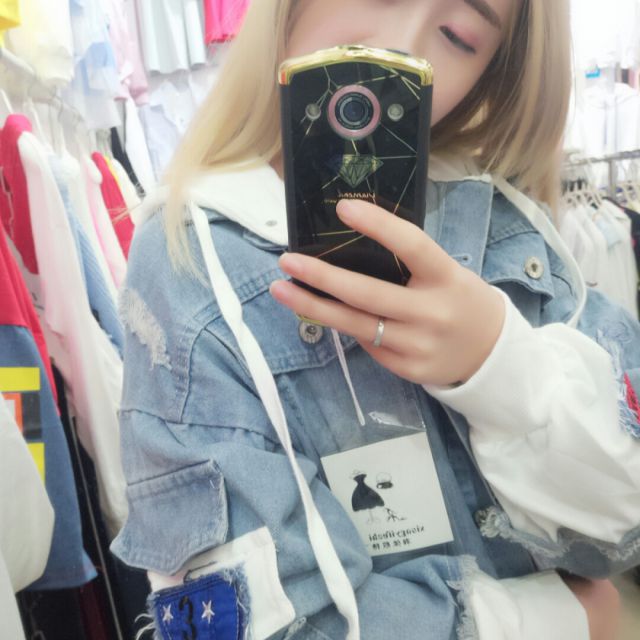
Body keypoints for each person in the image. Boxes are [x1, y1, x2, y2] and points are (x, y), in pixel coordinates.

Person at [111, 1, 640, 638]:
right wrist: (559, 619)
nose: (398, 49)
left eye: (458, 36)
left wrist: (501, 366)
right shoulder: (189, 264)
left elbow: (622, 526)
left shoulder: (505, 223)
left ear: (494, 71)